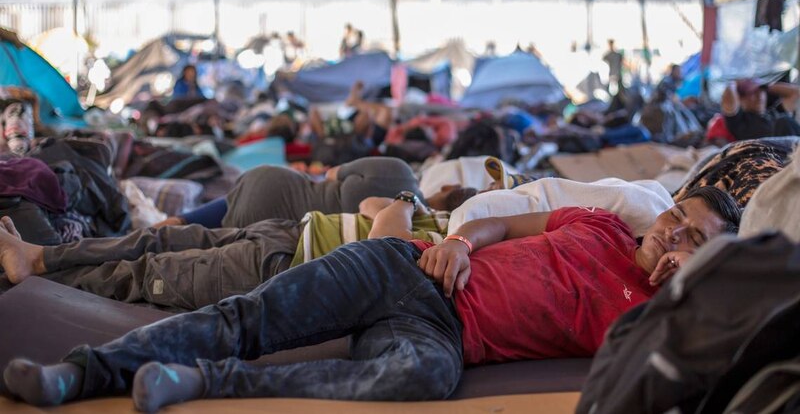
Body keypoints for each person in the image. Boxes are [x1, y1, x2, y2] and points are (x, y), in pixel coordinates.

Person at [2, 186, 740, 410]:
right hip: (405, 268)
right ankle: (83, 369)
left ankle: (202, 381)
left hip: (444, 334)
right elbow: (497, 218)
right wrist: (457, 239)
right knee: (249, 314)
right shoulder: (602, 222)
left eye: (691, 240)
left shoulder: (653, 316)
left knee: (421, 376)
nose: (670, 235)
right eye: (676, 218)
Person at [0, 187, 476, 310]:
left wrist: (404, 205)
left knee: (150, 273)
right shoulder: (441, 220)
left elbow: (383, 244)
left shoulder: (452, 247)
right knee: (155, 237)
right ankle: (39, 257)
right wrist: (407, 203)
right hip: (284, 231)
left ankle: (37, 280)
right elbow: (370, 203)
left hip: (283, 265)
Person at [157, 156, 426, 230]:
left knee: (197, 217)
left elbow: (332, 173)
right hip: (281, 228)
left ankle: (166, 225)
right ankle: (168, 231)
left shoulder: (398, 169)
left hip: (276, 184)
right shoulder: (411, 219)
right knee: (201, 240)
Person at [721, 78, 800, 141]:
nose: (759, 96)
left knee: (784, 120)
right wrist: (734, 83)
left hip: (794, 152)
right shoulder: (739, 121)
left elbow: (796, 93)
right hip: (769, 156)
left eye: (762, 92)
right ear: (742, 100)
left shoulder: (775, 112)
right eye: (753, 93)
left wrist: (766, 85)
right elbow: (729, 103)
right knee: (783, 121)